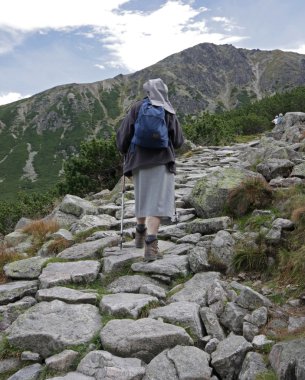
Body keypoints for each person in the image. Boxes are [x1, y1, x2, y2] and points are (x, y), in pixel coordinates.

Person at [116, 78, 184, 261]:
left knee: (142, 196)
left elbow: (123, 138)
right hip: (162, 161)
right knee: (157, 202)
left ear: (147, 91)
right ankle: (151, 245)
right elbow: (178, 141)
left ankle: (139, 234)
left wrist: (125, 153)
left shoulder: (136, 108)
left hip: (137, 162)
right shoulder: (167, 109)